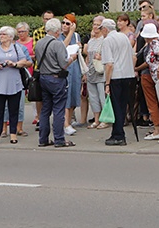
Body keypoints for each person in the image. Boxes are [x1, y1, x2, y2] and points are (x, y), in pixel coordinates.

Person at [35, 18, 79, 147]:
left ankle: (43, 139)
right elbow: (63, 64)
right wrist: (72, 58)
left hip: (43, 77)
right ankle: (59, 139)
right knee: (59, 109)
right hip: (56, 78)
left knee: (45, 110)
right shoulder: (57, 44)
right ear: (57, 31)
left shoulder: (39, 43)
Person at [0, 26, 32, 145]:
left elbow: (24, 61)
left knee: (14, 110)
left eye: (4, 34)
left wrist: (14, 64)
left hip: (14, 83)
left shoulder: (16, 48)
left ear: (11, 37)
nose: (1, 36)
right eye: (0, 34)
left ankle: (13, 133)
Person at [101, 18, 135, 146]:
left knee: (116, 107)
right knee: (122, 106)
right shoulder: (124, 37)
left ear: (105, 29)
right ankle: (116, 133)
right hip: (127, 74)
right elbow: (132, 55)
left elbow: (109, 64)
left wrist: (107, 83)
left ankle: (119, 135)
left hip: (116, 77)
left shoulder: (107, 40)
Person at [136, 22, 159, 141]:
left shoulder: (152, 45)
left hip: (150, 75)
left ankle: (157, 128)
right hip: (157, 76)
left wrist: (136, 68)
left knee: (152, 102)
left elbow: (149, 61)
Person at [60, 14, 83, 136]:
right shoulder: (59, 36)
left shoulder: (76, 35)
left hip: (75, 68)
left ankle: (69, 120)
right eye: (63, 23)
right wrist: (70, 32)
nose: (64, 25)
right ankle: (65, 124)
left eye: (67, 23)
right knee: (66, 97)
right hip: (65, 68)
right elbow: (63, 47)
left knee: (74, 95)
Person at [84, 16, 108, 129]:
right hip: (91, 72)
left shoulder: (105, 40)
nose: (95, 27)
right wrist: (85, 72)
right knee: (93, 97)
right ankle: (96, 119)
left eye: (98, 24)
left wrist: (101, 57)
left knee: (102, 96)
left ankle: (105, 119)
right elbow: (87, 57)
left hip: (100, 72)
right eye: (94, 24)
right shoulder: (91, 40)